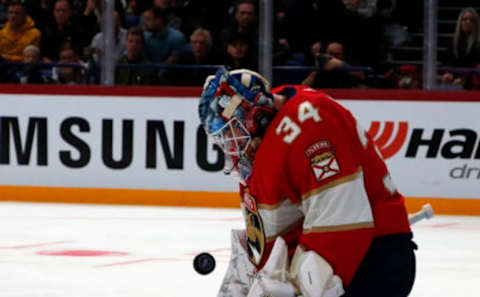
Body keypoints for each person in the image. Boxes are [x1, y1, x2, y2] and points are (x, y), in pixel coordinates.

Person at [198, 67, 416, 297]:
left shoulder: (309, 120)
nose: (231, 145)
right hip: (340, 264)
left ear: (255, 114)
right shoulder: (260, 146)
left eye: (233, 130)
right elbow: (267, 238)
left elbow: (343, 222)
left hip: (372, 261)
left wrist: (302, 288)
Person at [440, 7, 480, 88]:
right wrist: (447, 73)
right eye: (464, 19)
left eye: (471, 20)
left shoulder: (478, 43)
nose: (468, 22)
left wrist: (465, 79)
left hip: (473, 80)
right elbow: (446, 62)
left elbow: (476, 66)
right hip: (455, 78)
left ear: (476, 23)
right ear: (460, 22)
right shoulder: (452, 42)